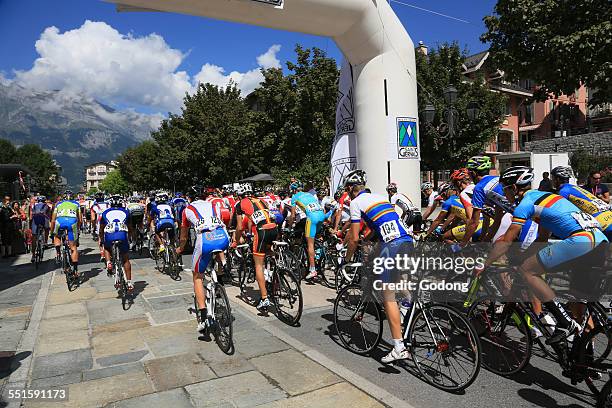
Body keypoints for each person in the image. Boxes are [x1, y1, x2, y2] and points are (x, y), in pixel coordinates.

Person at [482, 166, 609, 344]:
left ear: (513, 188)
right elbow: (542, 238)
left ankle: (564, 322)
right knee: (578, 304)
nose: (505, 195)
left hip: (581, 241)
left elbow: (506, 241)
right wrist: (523, 256)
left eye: (505, 190)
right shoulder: (549, 198)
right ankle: (584, 363)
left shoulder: (525, 204)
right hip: (600, 241)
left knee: (527, 271)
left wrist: (484, 264)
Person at [342, 169, 414, 363]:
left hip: (392, 245)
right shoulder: (380, 197)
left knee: (387, 295)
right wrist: (368, 242)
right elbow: (379, 227)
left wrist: (347, 259)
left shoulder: (356, 203)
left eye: (347, 190)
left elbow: (354, 237)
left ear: (350, 189)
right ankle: (408, 303)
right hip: (407, 239)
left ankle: (399, 346)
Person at [176, 186, 230, 333]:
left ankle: (204, 316)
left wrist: (180, 248)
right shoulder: (214, 204)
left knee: (197, 277)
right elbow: (225, 219)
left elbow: (184, 235)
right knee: (217, 254)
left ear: (189, 198)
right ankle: (221, 270)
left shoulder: (187, 210)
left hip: (205, 239)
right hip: (222, 236)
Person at [232, 183, 278, 311]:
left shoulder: (239, 204)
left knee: (258, 264)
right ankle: (277, 277)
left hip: (262, 232)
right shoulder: (261, 200)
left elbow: (240, 227)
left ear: (239, 195)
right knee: (269, 253)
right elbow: (253, 219)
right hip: (274, 228)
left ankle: (264, 298)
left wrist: (236, 240)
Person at [551, 166, 612, 240]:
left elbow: (557, 212)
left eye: (552, 178)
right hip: (609, 216)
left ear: (557, 179)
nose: (551, 181)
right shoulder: (576, 188)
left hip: (603, 224)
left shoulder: (564, 191)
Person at [286, 183, 326, 280]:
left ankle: (312, 270)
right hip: (322, 216)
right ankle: (319, 256)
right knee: (314, 239)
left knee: (310, 244)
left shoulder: (294, 197)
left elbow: (293, 215)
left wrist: (290, 226)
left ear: (293, 190)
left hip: (311, 218)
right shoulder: (309, 194)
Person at [460, 155, 503, 246]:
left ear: (474, 173)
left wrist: (461, 244)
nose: (469, 178)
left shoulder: (479, 188)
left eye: (469, 174)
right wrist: (484, 240)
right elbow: (497, 218)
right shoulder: (498, 179)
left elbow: (474, 222)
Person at [99, 195, 133, 291]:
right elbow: (130, 227)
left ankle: (109, 262)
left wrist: (101, 239)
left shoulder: (105, 212)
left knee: (106, 247)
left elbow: (101, 229)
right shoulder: (126, 212)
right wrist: (129, 237)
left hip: (110, 235)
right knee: (125, 259)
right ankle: (129, 283)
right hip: (122, 234)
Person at [50, 191, 82, 276]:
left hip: (59, 221)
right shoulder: (76, 204)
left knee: (56, 235)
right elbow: (80, 220)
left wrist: (51, 232)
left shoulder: (58, 204)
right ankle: (75, 271)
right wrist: (77, 230)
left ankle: (58, 252)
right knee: (73, 247)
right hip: (72, 222)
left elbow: (53, 220)